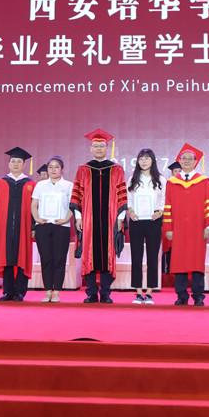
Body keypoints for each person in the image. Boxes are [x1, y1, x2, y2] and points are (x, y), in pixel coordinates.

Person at [70, 129, 128, 304]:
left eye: (102, 146)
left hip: (110, 219)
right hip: (89, 219)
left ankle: (105, 293)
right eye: (95, 146)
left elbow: (122, 195)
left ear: (106, 148)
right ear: (91, 149)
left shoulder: (116, 170)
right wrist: (78, 217)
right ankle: (91, 293)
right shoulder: (83, 170)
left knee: (107, 255)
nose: (98, 149)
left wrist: (120, 218)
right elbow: (77, 194)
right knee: (89, 254)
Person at [164, 143, 209, 306]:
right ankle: (181, 295)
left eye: (190, 159)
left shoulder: (204, 181)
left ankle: (198, 295)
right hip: (179, 228)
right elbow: (168, 206)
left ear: (196, 161)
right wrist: (168, 228)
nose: (186, 161)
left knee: (197, 262)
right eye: (183, 158)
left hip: (197, 228)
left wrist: (208, 226)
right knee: (179, 261)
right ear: (179, 161)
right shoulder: (172, 182)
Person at [0, 147, 36, 301]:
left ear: (24, 164)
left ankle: (20, 291)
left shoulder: (30, 184)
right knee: (6, 257)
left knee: (22, 257)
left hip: (24, 227)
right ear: (9, 164)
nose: (16, 164)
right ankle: (8, 291)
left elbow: (35, 207)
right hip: (4, 227)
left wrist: (33, 226)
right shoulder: (0, 182)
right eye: (13, 161)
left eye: (19, 162)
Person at [32, 156, 74, 303]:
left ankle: (56, 292)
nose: (53, 170)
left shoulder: (68, 185)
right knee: (46, 259)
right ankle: (48, 290)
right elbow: (34, 204)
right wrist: (37, 218)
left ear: (62, 169)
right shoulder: (40, 185)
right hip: (43, 226)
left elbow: (73, 205)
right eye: (50, 167)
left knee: (59, 259)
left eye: (56, 167)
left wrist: (66, 219)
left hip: (61, 226)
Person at [127, 148, 165, 304]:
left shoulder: (161, 179)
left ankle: (149, 292)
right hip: (136, 221)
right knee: (136, 256)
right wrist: (130, 211)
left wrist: (160, 211)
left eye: (147, 158)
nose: (144, 161)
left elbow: (164, 199)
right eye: (141, 158)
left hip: (153, 221)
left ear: (153, 161)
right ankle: (137, 291)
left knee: (152, 257)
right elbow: (129, 199)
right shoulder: (132, 179)